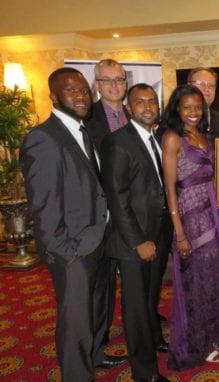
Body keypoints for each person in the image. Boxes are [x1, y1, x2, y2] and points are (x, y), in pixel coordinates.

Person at [21, 67, 127, 381]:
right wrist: (64, 252)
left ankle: (94, 355)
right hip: (73, 249)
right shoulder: (43, 138)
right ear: (53, 97)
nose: (82, 96)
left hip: (97, 239)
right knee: (75, 320)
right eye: (72, 91)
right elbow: (43, 203)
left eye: (84, 90)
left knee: (96, 310)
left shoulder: (82, 130)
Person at [160, 84, 219, 370]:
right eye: (187, 107)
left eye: (197, 107)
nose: (193, 112)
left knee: (214, 278)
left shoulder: (205, 136)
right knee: (196, 283)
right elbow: (169, 188)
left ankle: (213, 333)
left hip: (213, 216)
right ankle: (198, 342)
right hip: (190, 220)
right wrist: (178, 232)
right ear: (177, 110)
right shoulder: (173, 138)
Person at [100, 83, 171, 382]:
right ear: (128, 108)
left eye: (152, 101)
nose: (147, 106)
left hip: (157, 233)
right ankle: (146, 374)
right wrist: (139, 241)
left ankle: (154, 341)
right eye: (139, 102)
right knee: (137, 310)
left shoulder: (155, 138)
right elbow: (116, 198)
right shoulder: (118, 142)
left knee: (150, 298)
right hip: (134, 242)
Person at [85, 58, 131, 345]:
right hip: (102, 215)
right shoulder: (87, 122)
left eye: (119, 80)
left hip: (132, 211)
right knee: (102, 282)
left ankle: (137, 325)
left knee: (134, 277)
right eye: (107, 80)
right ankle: (98, 339)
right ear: (97, 85)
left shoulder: (135, 113)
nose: (114, 85)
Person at [187, 67, 219, 267]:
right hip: (190, 207)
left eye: (211, 85)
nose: (206, 89)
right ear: (188, 87)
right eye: (201, 84)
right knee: (194, 262)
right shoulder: (172, 124)